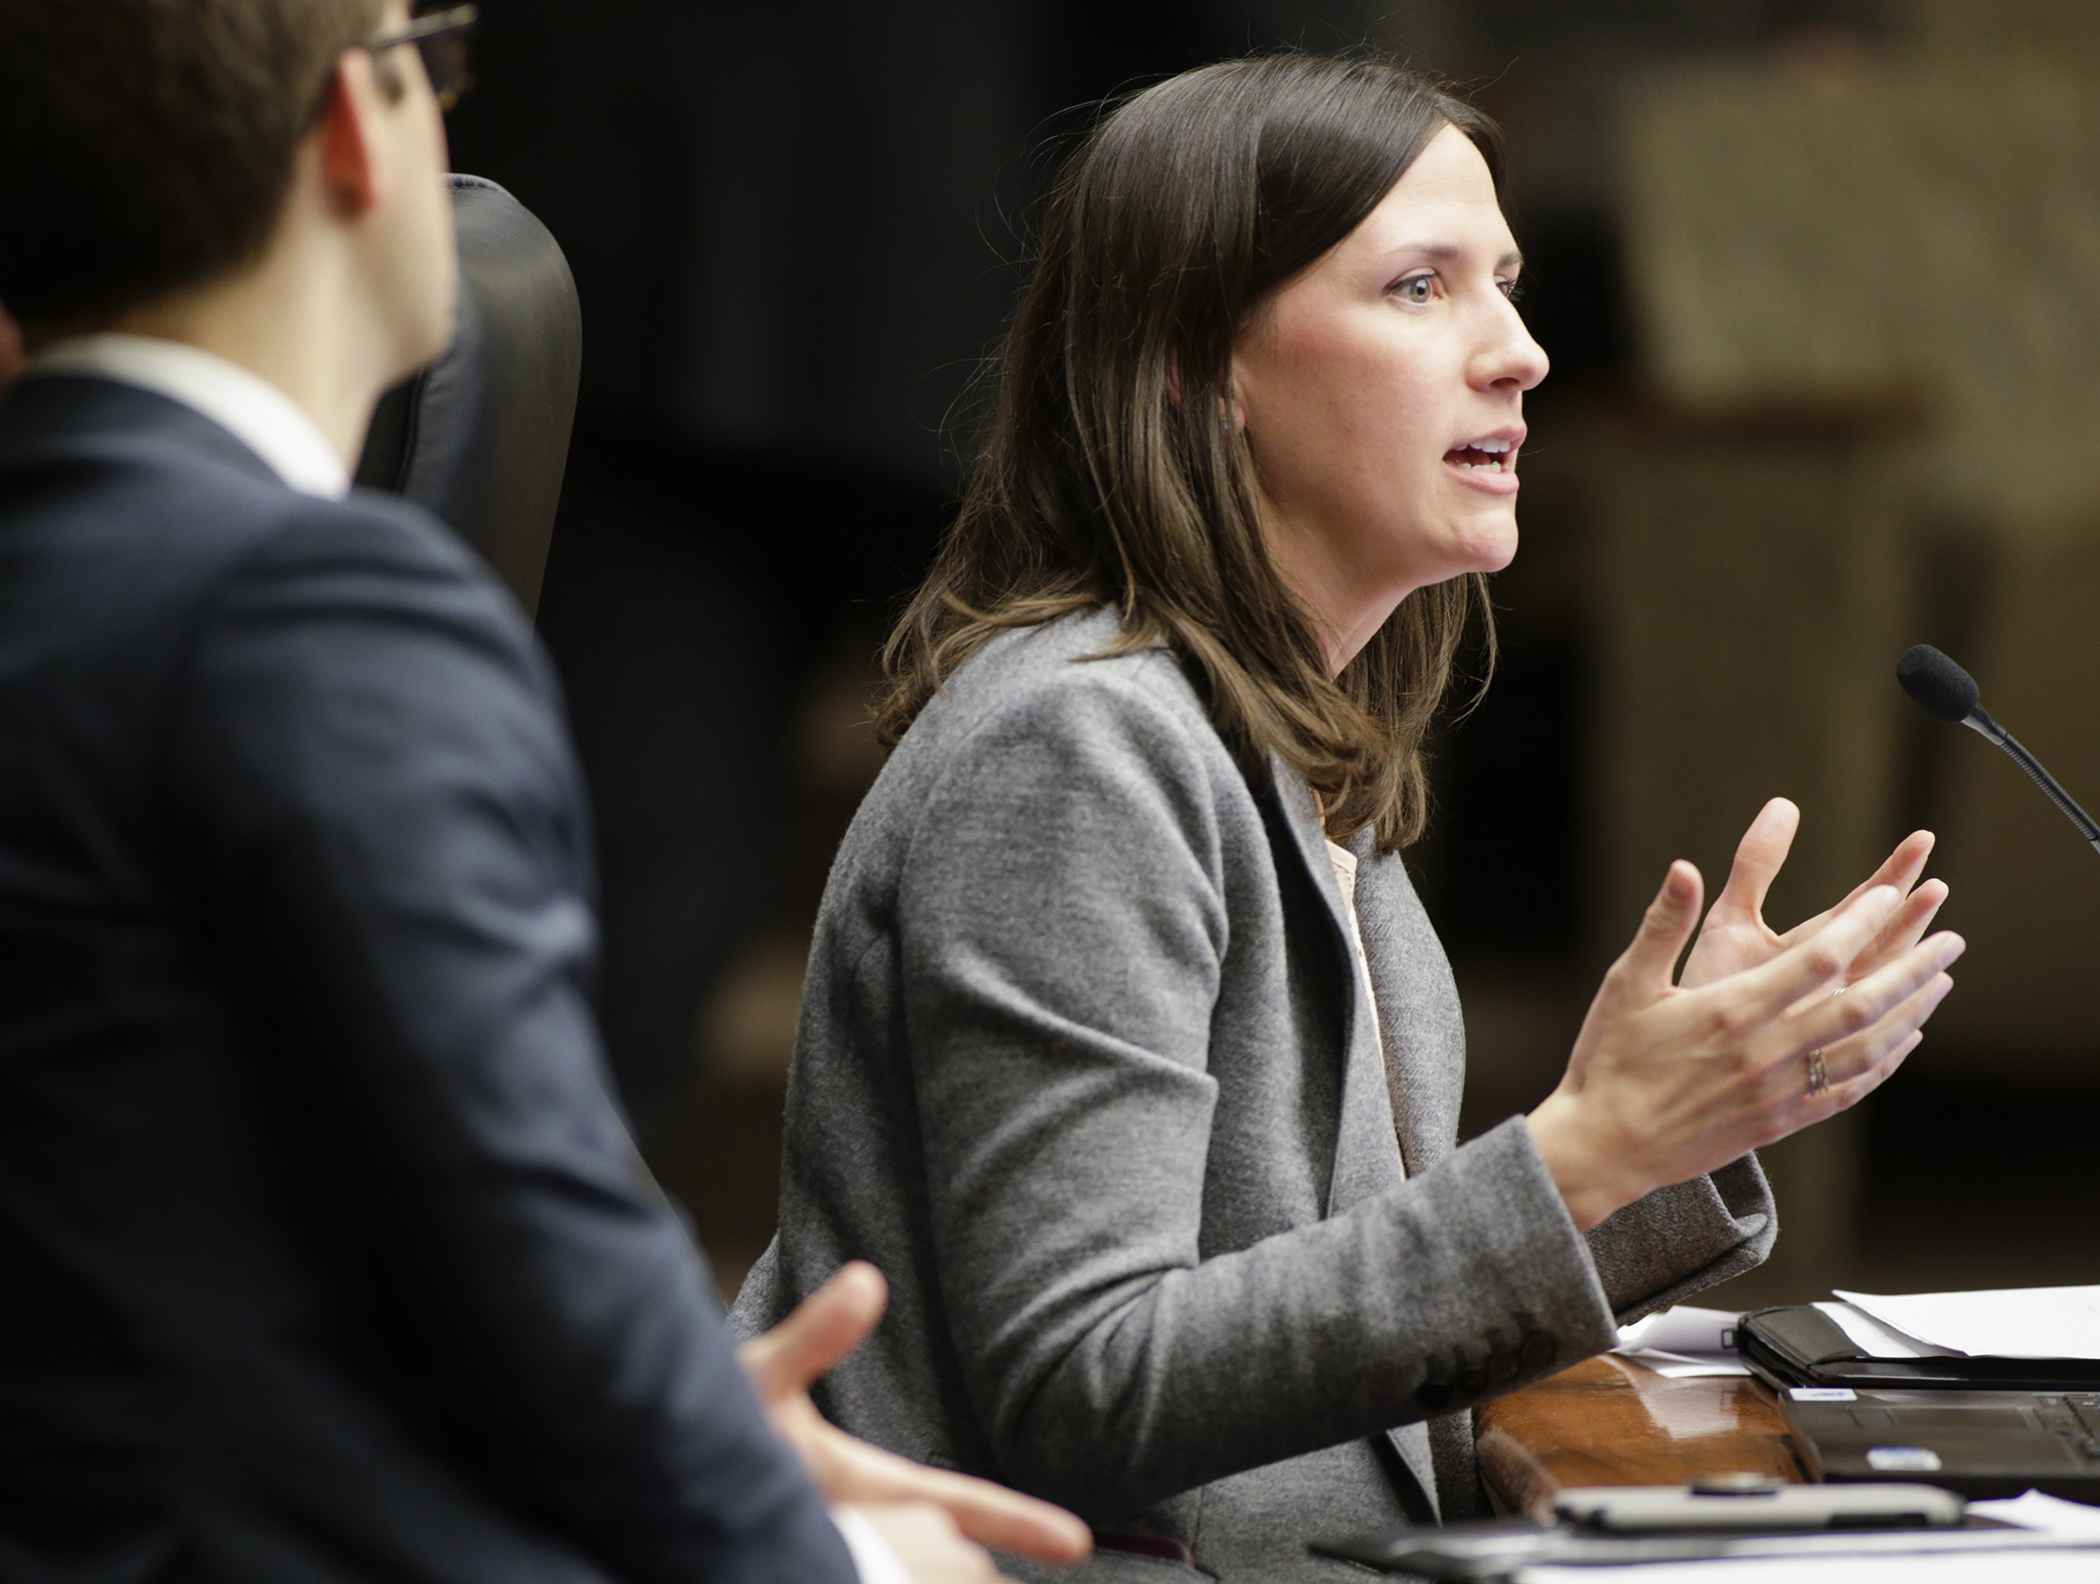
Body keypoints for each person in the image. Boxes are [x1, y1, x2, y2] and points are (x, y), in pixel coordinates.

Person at [729, 53, 1963, 1582]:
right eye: (1420, 288)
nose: (1518, 353)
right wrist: (1579, 1153)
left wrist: (1660, 1137)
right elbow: (1080, 1393)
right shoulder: (1077, 750)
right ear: (1193, 366)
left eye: (1505, 284)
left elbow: (1338, 1319)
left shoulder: (1299, 754)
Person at [0, 4, 1090, 1583]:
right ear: (356, 132)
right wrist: (847, 1562)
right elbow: (525, 1235)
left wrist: (702, 1410)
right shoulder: (324, 618)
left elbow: (177, 1203)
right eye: (440, 52)